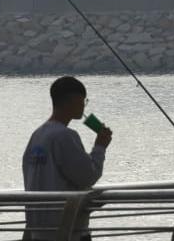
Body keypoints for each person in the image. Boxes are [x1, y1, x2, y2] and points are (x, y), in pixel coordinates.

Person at [21, 76, 112, 240]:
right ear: (73, 100)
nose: (84, 106)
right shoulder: (65, 136)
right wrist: (100, 146)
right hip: (67, 231)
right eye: (83, 101)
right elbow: (87, 176)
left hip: (38, 230)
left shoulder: (38, 135)